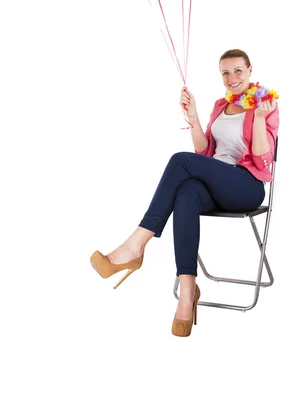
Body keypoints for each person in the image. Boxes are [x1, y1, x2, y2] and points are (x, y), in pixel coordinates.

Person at [90, 48, 279, 337]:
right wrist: (193, 117)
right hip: (217, 181)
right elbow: (205, 153)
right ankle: (188, 291)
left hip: (246, 185)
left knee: (181, 161)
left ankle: (136, 244)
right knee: (187, 191)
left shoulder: (265, 104)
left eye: (238, 70)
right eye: (225, 73)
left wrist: (256, 120)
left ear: (250, 70)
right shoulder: (220, 105)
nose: (232, 78)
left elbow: (261, 158)